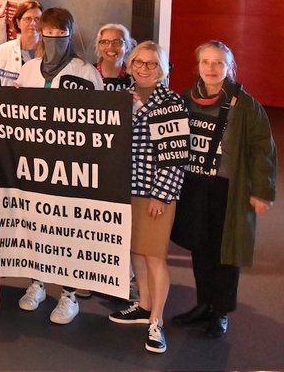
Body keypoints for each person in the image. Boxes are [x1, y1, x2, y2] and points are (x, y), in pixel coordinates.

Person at [170, 41, 277, 339]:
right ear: (198, 66)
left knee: (226, 252)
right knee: (200, 247)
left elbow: (262, 149)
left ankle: (220, 312)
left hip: (228, 188)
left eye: (218, 62)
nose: (212, 68)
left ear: (229, 67)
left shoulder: (245, 105)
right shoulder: (186, 99)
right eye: (206, 62)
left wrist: (262, 190)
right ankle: (203, 304)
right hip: (195, 185)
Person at [14, 6, 103, 324]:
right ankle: (37, 282)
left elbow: (100, 123)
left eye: (60, 35)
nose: (53, 40)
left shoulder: (85, 72)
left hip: (70, 167)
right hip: (34, 165)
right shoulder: (30, 70)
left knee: (67, 229)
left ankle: (69, 293)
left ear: (70, 35)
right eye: (47, 34)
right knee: (36, 225)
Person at [107, 42, 186, 354]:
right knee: (136, 252)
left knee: (154, 256)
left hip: (155, 194)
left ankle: (157, 320)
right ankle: (143, 305)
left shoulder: (170, 103)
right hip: (126, 190)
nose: (143, 68)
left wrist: (162, 195)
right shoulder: (123, 96)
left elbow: (176, 157)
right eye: (138, 61)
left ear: (162, 69)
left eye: (151, 64)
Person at [0, 0, 41, 86]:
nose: (33, 23)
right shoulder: (2, 51)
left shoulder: (48, 54)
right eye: (28, 19)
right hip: (5, 99)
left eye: (38, 19)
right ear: (18, 23)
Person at [95, 23, 135, 91]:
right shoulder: (88, 73)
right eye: (105, 42)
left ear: (127, 47)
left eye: (117, 42)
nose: (110, 47)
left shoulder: (134, 76)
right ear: (98, 46)